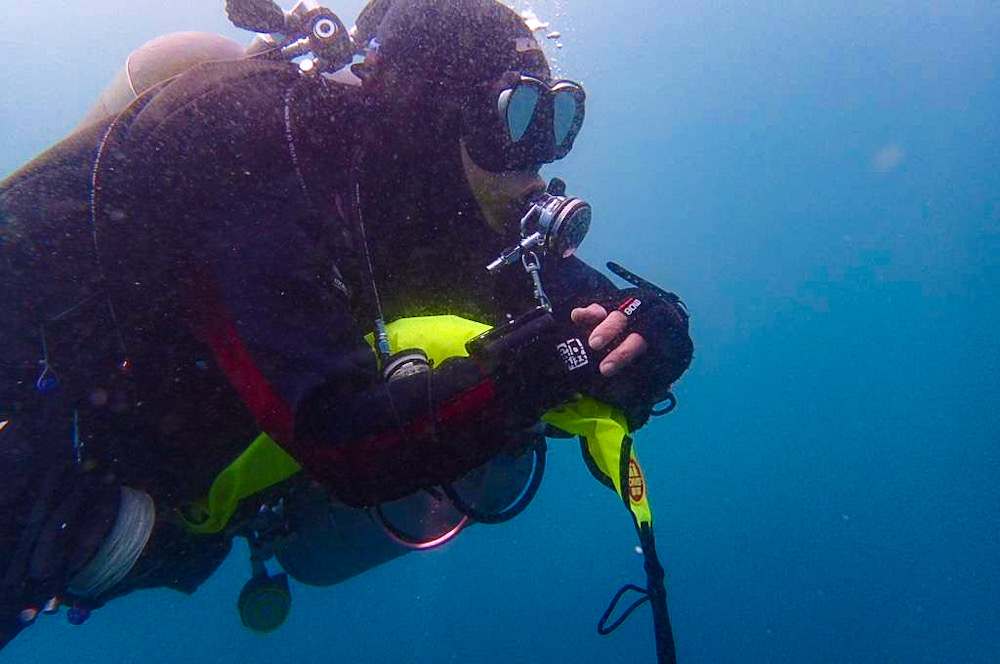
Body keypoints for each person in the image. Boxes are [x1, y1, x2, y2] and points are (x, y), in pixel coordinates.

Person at [0, 0, 693, 651]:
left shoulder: (430, 200)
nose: (538, 158)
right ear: (431, 115)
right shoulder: (251, 157)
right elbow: (346, 444)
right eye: (516, 117)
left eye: (558, 118)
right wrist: (541, 369)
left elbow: (575, 314)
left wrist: (650, 325)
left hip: (124, 490)